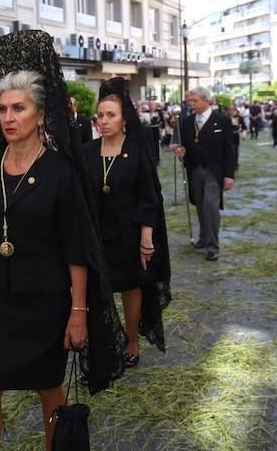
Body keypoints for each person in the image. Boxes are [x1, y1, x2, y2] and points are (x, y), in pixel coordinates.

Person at [0, 30, 126, 451]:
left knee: (49, 392)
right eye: (2, 109)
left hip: (47, 300)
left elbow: (76, 248)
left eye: (19, 107)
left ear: (39, 113)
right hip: (1, 298)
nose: (9, 117)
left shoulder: (60, 171)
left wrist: (78, 311)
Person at [83, 77, 171, 369]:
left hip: (129, 236)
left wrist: (147, 238)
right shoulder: (88, 152)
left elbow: (149, 198)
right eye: (100, 116)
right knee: (97, 293)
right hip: (97, 236)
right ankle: (105, 347)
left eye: (111, 115)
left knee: (130, 289)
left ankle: (131, 341)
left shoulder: (136, 151)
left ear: (123, 120)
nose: (104, 121)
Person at [172, 86, 236, 261]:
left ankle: (213, 246)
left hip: (215, 172)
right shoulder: (186, 122)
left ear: (207, 100)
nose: (192, 104)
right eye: (190, 101)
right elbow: (178, 144)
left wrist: (229, 175)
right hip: (194, 170)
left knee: (210, 205)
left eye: (195, 101)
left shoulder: (222, 120)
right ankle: (203, 236)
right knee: (200, 205)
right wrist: (178, 151)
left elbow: (230, 150)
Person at [226, 104, 241, 171]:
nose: (231, 111)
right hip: (227, 137)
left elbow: (242, 127)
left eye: (232, 110)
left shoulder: (238, 118)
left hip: (235, 137)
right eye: (229, 110)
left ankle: (235, 164)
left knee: (235, 151)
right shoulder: (225, 118)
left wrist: (240, 130)